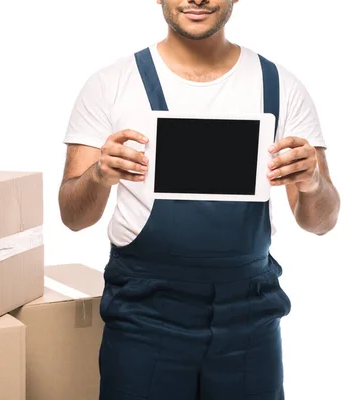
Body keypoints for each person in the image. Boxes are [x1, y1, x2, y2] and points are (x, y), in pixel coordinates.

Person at [58, 0, 341, 399]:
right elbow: (72, 216)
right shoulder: (111, 83)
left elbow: (322, 222)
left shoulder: (280, 85)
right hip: (143, 315)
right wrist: (100, 174)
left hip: (250, 317)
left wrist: (312, 182)